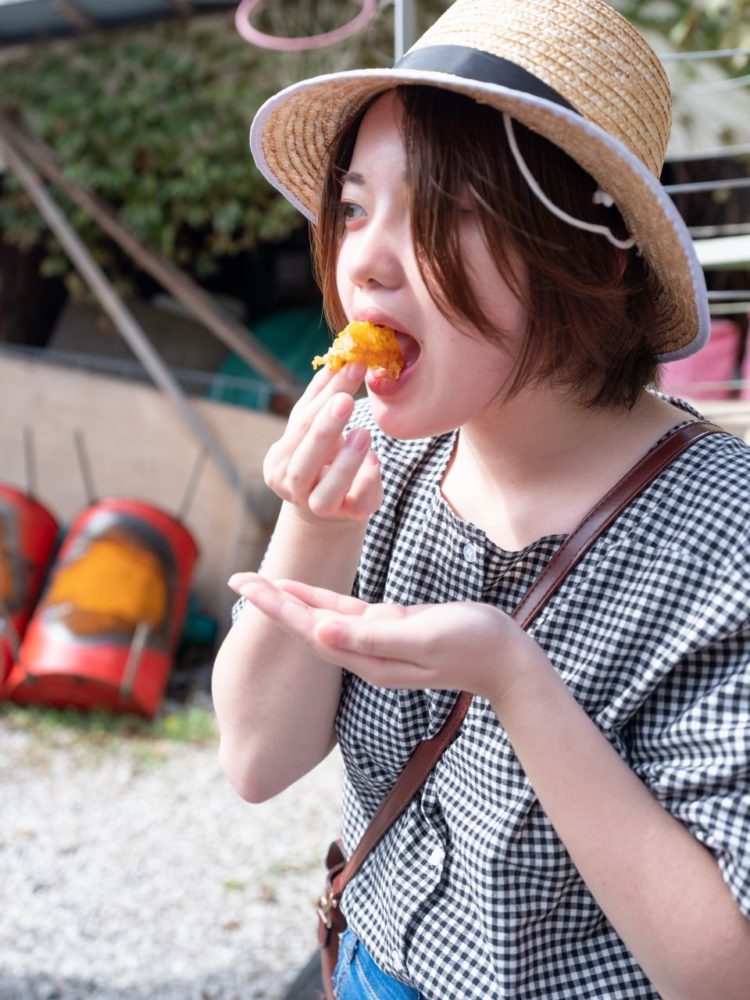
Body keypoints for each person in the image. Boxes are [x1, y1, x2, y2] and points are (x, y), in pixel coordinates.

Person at [212, 1, 750, 997]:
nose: (364, 260)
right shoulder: (384, 455)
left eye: (441, 210)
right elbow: (254, 758)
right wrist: (317, 525)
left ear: (588, 255)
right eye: (355, 206)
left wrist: (516, 680)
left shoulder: (726, 534)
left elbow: (725, 973)